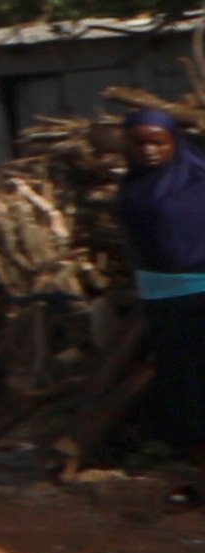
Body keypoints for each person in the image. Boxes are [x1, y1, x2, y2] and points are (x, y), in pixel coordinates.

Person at [118, 112, 205, 467]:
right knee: (181, 379)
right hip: (160, 295)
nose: (149, 151)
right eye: (139, 143)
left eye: (158, 142)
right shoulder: (132, 186)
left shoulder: (197, 182)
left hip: (201, 290)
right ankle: (193, 452)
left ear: (175, 143)